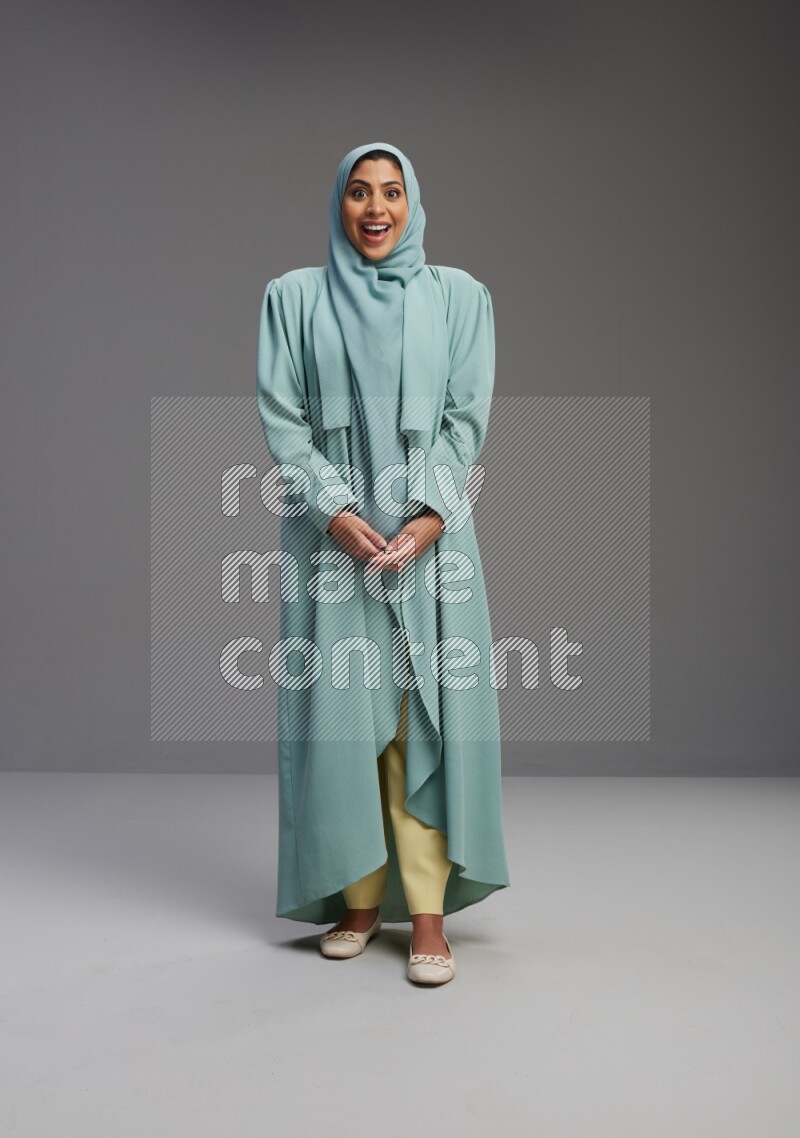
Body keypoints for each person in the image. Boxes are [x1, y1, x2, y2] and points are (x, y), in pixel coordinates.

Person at [256, 141, 510, 985]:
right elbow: (284, 420)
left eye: (392, 192)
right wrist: (333, 508)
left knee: (422, 718)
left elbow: (465, 418)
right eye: (359, 192)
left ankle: (428, 914)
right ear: (338, 202)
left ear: (412, 202)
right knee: (344, 720)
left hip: (429, 543)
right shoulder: (292, 298)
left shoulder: (460, 298)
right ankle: (358, 900)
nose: (375, 208)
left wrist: (434, 510)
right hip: (335, 544)